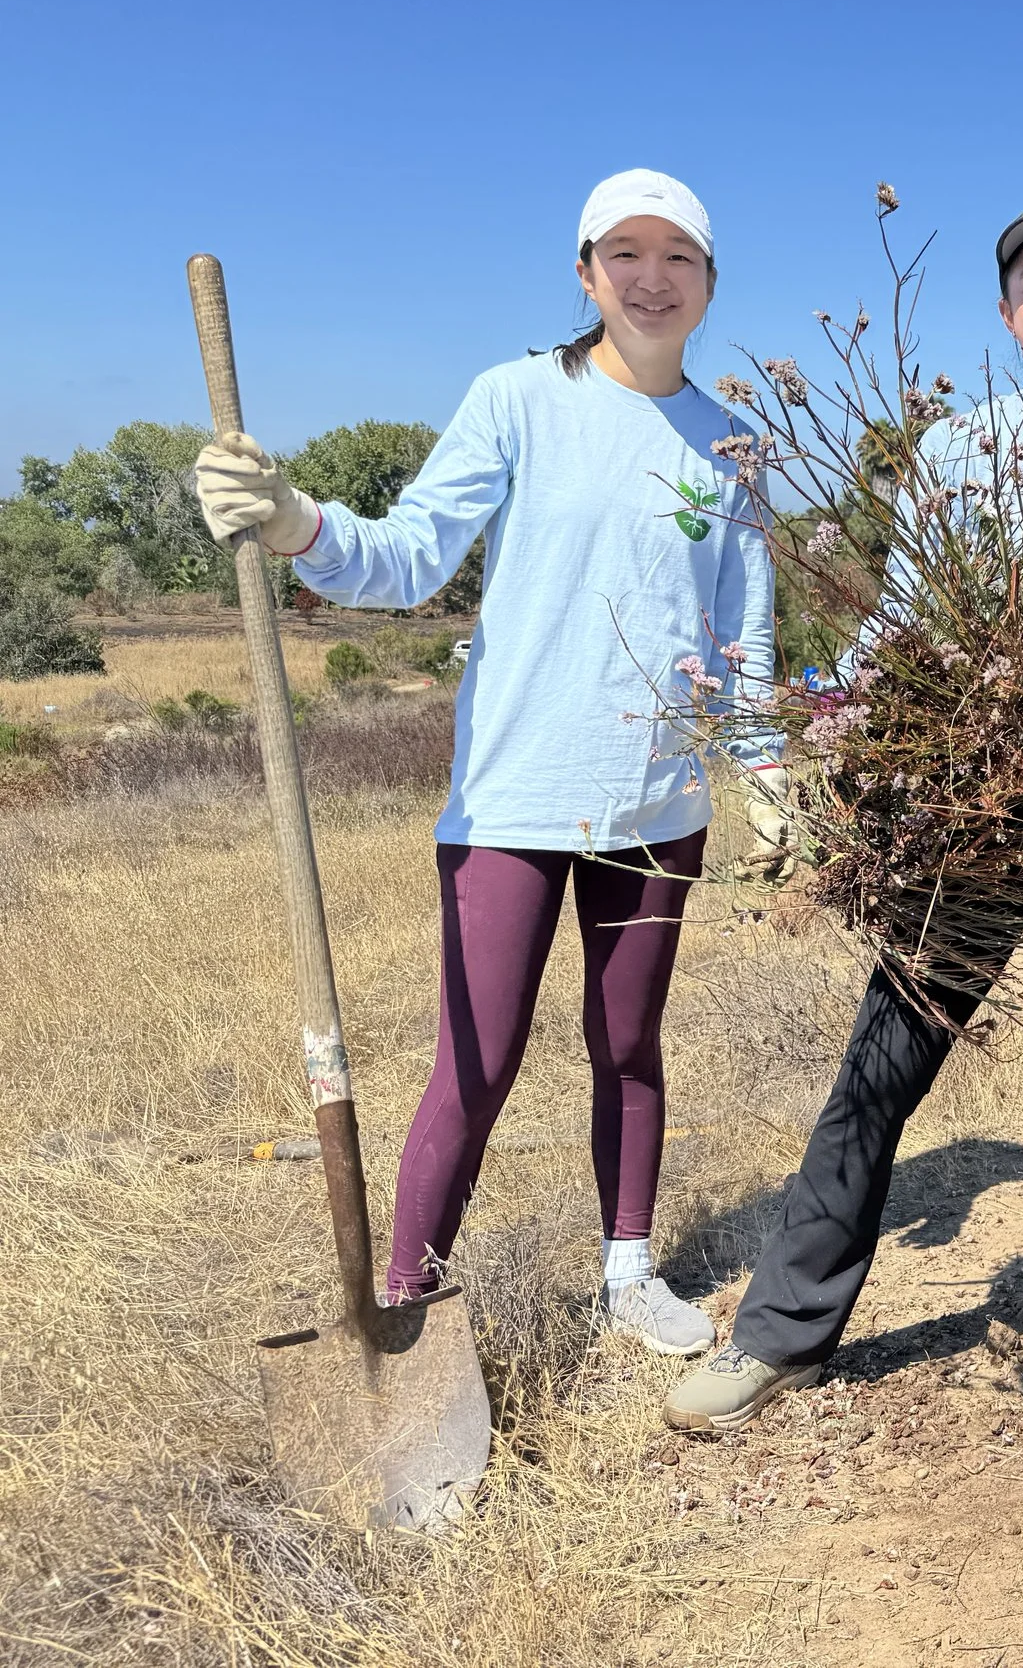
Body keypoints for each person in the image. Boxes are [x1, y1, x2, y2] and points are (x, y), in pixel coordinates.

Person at [192, 169, 782, 1357]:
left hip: (659, 806)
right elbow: (406, 560)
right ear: (584, 272)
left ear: (711, 282)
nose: (651, 278)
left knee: (627, 1046)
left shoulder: (732, 447)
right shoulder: (516, 400)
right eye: (626, 253)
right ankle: (409, 1306)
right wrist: (293, 519)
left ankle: (627, 1272)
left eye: (679, 257)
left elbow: (743, 636)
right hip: (512, 801)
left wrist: (765, 772)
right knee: (475, 1059)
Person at [665, 204, 1023, 1438]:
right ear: (1008, 314)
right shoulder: (960, 449)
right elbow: (912, 606)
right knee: (888, 1054)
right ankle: (778, 1334)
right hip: (972, 802)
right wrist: (838, 705)